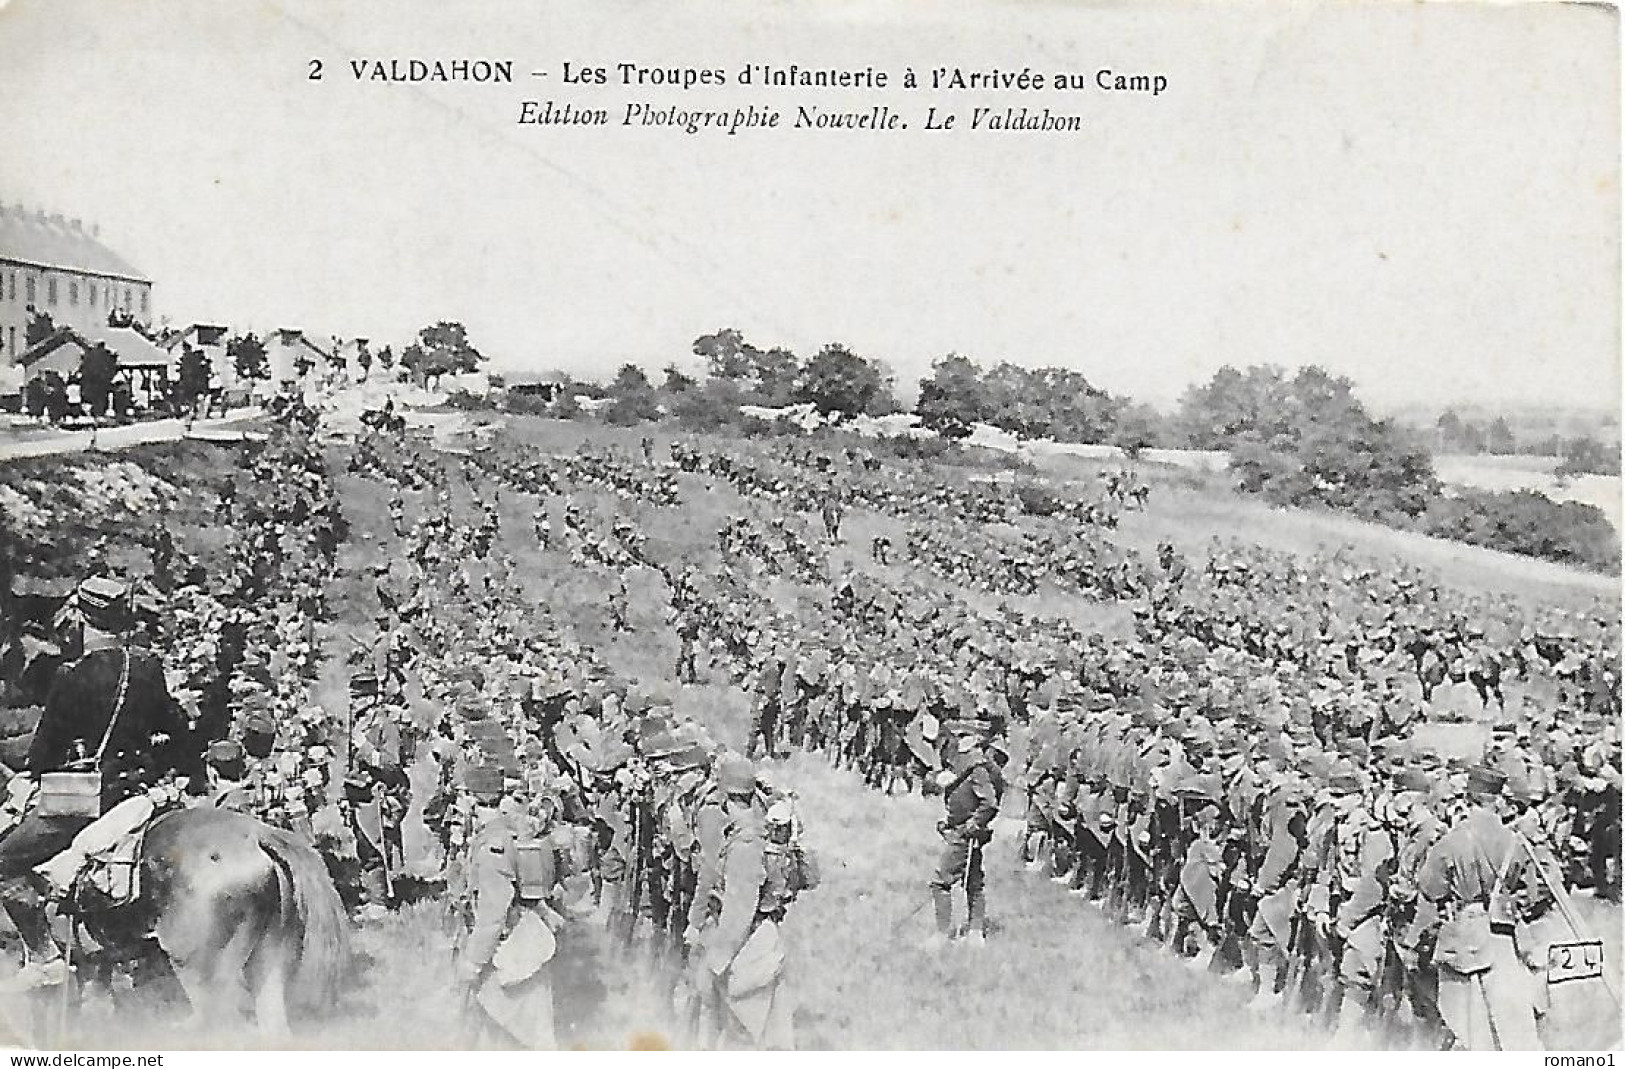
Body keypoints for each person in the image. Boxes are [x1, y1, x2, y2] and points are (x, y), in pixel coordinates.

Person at [0, 575, 204, 991]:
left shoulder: (71, 674)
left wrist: (29, 772)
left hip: (88, 799)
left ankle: (44, 957)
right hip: (138, 792)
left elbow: (43, 754)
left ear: (80, 618)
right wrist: (187, 774)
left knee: (3, 865)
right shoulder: (147, 665)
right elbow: (176, 728)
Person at [1416, 765, 1542, 1050]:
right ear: (1497, 800)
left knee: (1467, 1021)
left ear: (1467, 799)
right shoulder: (1514, 840)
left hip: (1464, 936)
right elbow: (1531, 894)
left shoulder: (1451, 840)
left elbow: (1430, 888)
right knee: (1514, 1022)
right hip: (1503, 935)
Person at [456, 767, 567, 1050]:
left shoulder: (493, 845)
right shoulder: (504, 830)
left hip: (509, 953)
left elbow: (493, 912)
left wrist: (473, 961)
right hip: (517, 945)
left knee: (515, 1039)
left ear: (473, 800)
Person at [694, 754, 797, 1049]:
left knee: (744, 1035)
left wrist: (715, 962)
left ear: (725, 794)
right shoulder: (755, 827)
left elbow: (739, 911)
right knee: (771, 1037)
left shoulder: (744, 844)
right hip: (760, 943)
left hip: (750, 949)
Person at [928, 734, 1005, 948]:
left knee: (940, 881)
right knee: (973, 881)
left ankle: (943, 936)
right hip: (961, 829)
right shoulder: (966, 763)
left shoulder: (976, 767)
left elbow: (989, 803)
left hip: (965, 834)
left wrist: (974, 824)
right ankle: (975, 933)